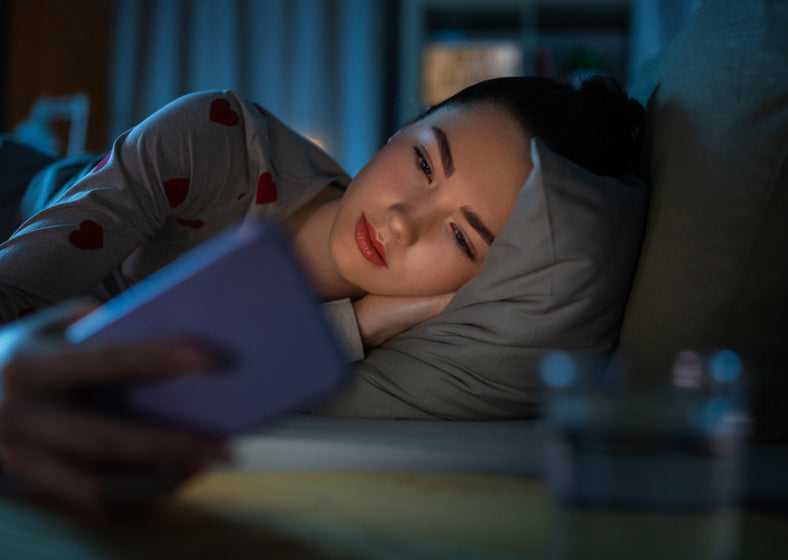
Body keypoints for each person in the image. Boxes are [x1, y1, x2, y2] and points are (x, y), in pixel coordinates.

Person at [0, 76, 643, 515]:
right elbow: (14, 295)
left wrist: (361, 324)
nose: (401, 223)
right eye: (423, 163)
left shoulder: (432, 339)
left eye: (463, 239)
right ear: (401, 129)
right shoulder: (216, 139)